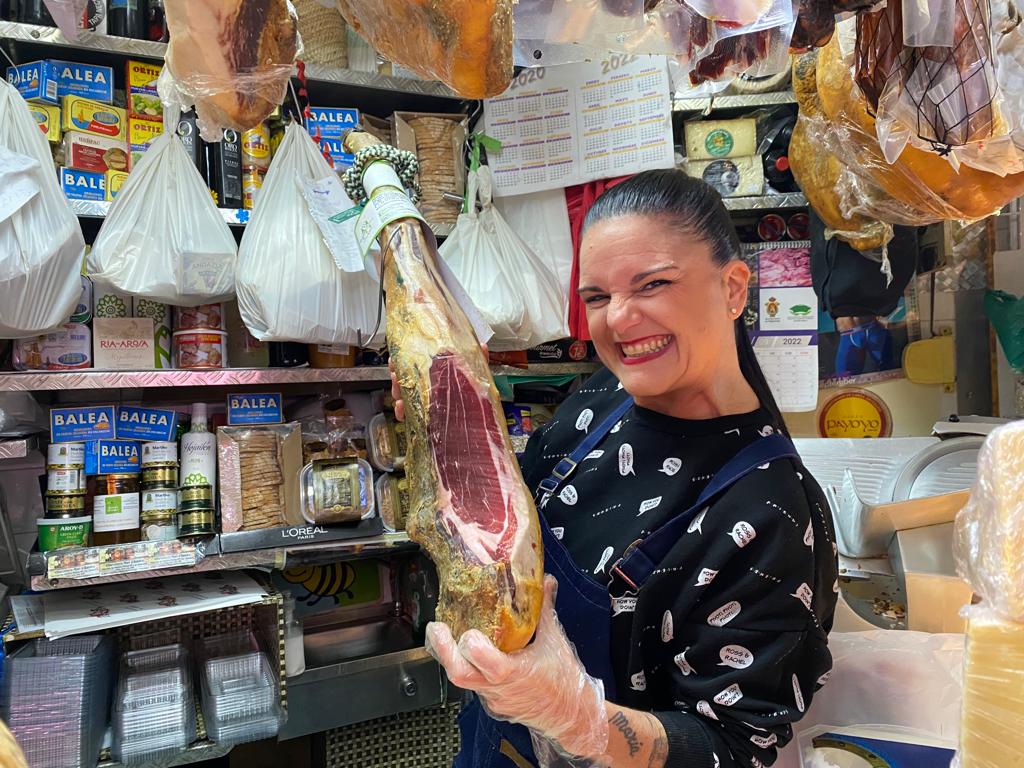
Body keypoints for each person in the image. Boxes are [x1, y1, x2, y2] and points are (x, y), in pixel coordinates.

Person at [394, 169, 838, 768]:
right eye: (597, 298)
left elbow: (734, 750)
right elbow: (505, 522)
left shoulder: (773, 513)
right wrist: (450, 449)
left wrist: (580, 721)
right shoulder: (600, 401)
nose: (619, 320)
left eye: (651, 284)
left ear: (734, 288)